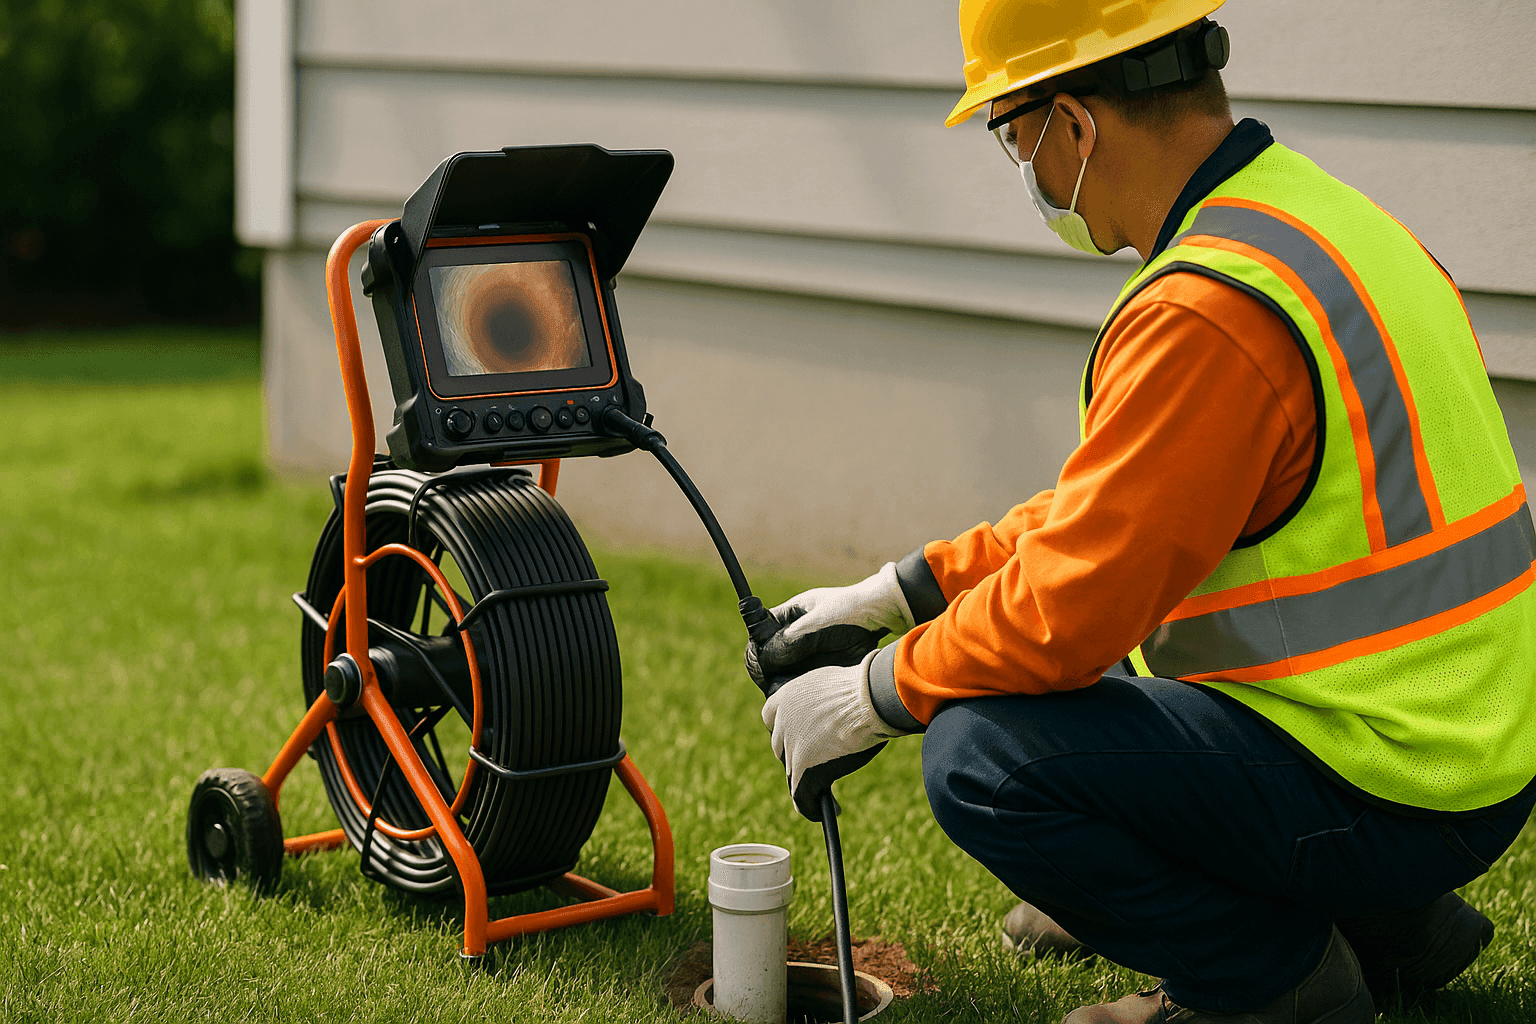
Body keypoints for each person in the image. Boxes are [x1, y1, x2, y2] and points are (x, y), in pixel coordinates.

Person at [747, 2, 1536, 1022]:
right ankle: (1398, 925)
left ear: (1074, 126)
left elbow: (1075, 604)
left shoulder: (1208, 309)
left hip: (1393, 784)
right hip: (1465, 746)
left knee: (984, 754)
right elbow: (1115, 509)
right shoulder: (1317, 224)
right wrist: (897, 589)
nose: (1022, 165)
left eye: (1012, 129)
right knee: (1079, 674)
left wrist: (872, 691)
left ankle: (1269, 982)